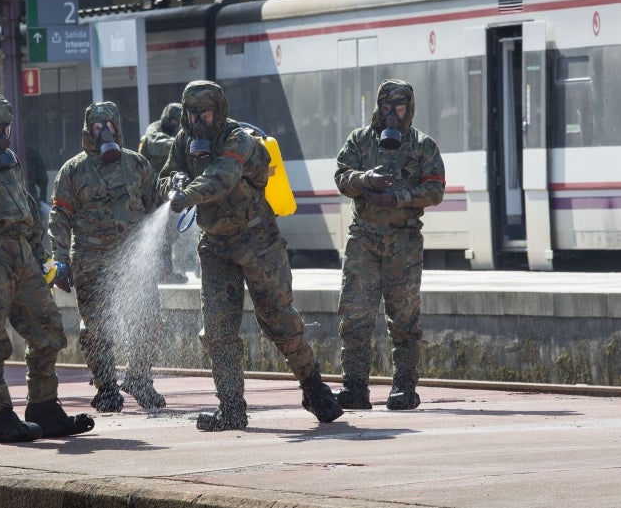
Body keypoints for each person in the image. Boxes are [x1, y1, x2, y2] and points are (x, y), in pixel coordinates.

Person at [159, 80, 343, 431]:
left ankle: (314, 388)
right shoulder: (183, 141)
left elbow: (222, 177)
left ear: (218, 112)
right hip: (215, 246)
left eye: (205, 114)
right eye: (192, 115)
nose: (198, 122)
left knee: (280, 321)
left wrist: (189, 195)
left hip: (257, 240)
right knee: (217, 330)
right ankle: (231, 408)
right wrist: (173, 183)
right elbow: (164, 178)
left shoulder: (238, 139)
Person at [0, 94, 94, 442]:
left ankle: (43, 408)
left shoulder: (9, 163)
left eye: (5, 129)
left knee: (48, 329)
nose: (1, 137)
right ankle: (0, 417)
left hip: (23, 253)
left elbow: (27, 209)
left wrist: (44, 260)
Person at [333, 79, 445, 411]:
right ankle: (354, 388)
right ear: (377, 108)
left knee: (404, 318)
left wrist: (397, 197)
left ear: (409, 109)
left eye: (398, 108)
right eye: (386, 108)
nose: (391, 115)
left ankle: (404, 389)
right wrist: (365, 179)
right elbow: (342, 177)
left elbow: (435, 190)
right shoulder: (360, 139)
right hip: (363, 240)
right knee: (354, 315)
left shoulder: (423, 145)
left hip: (403, 241)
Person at [49, 101, 167, 413]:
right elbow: (59, 218)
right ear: (88, 131)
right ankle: (106, 388)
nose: (104, 132)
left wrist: (163, 255)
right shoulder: (73, 170)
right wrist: (59, 261)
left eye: (109, 125)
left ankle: (139, 380)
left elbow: (156, 207)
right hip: (91, 262)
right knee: (96, 329)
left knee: (149, 321)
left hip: (134, 261)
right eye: (97, 127)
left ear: (118, 128)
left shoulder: (137, 164)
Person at [139, 102, 189, 284]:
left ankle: (166, 273)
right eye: (173, 121)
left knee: (169, 233)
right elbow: (157, 144)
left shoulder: (179, 133)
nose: (175, 125)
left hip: (166, 190)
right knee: (156, 234)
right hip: (149, 190)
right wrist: (181, 144)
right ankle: (156, 273)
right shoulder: (155, 129)